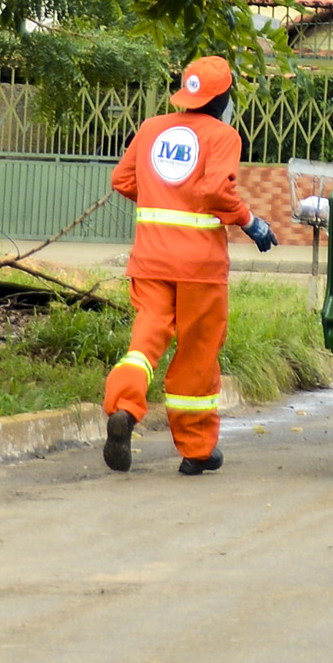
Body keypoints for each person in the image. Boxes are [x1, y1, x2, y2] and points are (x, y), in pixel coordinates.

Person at [101, 56, 278, 475]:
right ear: (222, 99)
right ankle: (196, 449)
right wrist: (251, 223)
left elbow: (123, 181)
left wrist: (164, 199)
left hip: (150, 258)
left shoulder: (150, 129)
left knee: (146, 339)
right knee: (198, 351)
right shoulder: (222, 136)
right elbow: (218, 191)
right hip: (199, 266)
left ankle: (124, 405)